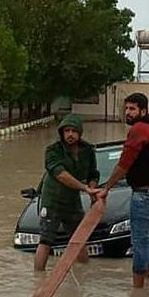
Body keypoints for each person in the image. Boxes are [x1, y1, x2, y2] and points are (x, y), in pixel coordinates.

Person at [98, 93, 149, 288]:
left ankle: (137, 290)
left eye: (132, 109)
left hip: (144, 195)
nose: (127, 112)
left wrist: (107, 187)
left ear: (142, 111)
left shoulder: (139, 129)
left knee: (139, 242)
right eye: (126, 108)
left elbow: (124, 164)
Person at [34, 114, 101, 271]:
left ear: (80, 132)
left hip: (72, 201)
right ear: (62, 133)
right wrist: (85, 188)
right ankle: (38, 278)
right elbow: (60, 174)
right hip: (52, 201)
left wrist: (92, 189)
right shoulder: (53, 150)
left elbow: (93, 173)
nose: (70, 134)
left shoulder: (88, 150)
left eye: (74, 131)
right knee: (45, 241)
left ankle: (83, 274)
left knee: (79, 240)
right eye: (67, 131)